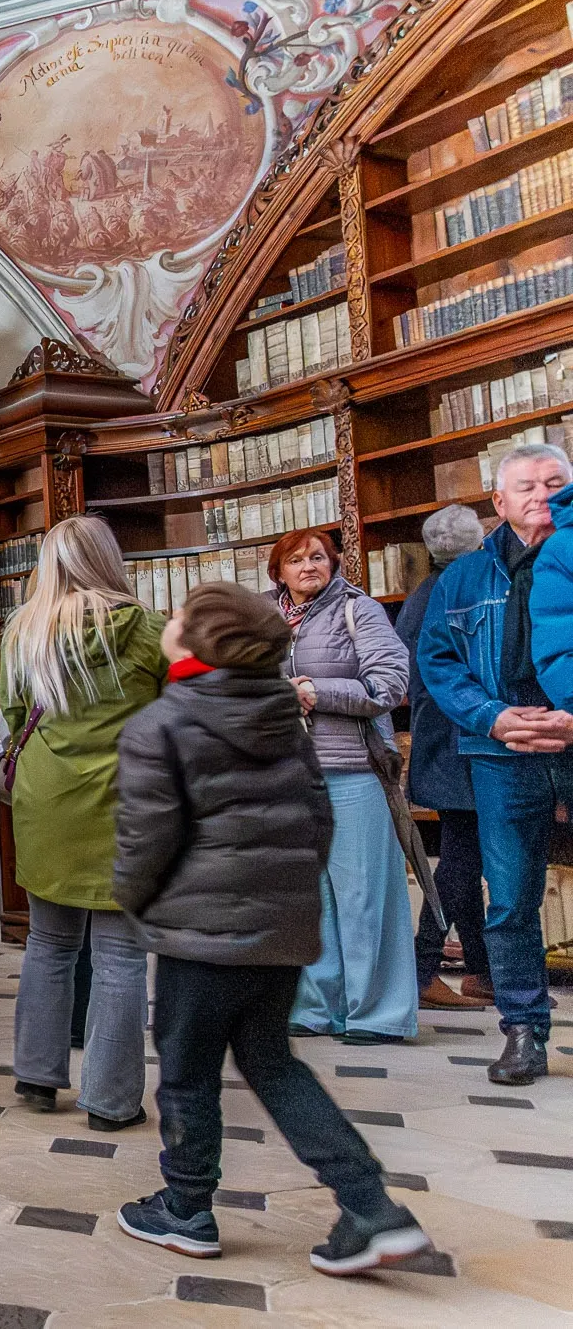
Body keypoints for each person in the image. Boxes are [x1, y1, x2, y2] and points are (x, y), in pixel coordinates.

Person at [112, 582, 434, 1276]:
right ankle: (370, 1204)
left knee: (187, 1070)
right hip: (279, 931)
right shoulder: (286, 718)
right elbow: (318, 817)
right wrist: (285, 898)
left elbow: (146, 838)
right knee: (274, 1064)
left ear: (203, 643)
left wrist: (134, 901)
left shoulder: (161, 723)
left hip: (198, 935)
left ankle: (185, 1206)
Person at [0, 515, 161, 1131]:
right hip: (126, 801)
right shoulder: (146, 629)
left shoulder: (23, 629)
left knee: (48, 943)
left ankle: (37, 1076)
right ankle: (111, 1102)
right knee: (119, 957)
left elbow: (14, 717)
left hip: (46, 802)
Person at [424, 444, 573, 1084]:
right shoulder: (462, 577)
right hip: (500, 751)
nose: (540, 494)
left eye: (554, 482)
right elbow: (437, 662)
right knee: (509, 899)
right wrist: (492, 717)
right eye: (526, 485)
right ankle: (523, 1031)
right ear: (499, 500)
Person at [270, 528, 416, 1046]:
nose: (307, 565)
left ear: (333, 563)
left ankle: (377, 1013)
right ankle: (315, 1008)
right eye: (295, 559)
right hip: (287, 774)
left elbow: (389, 686)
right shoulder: (265, 615)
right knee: (309, 900)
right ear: (278, 570)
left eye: (317, 557)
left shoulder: (361, 610)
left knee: (363, 897)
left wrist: (313, 691)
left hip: (352, 770)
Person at [396, 505, 492, 1012]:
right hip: (467, 743)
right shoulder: (467, 592)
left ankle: (480, 969)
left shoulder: (420, 597)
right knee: (460, 862)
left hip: (440, 742)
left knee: (463, 854)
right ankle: (423, 967)